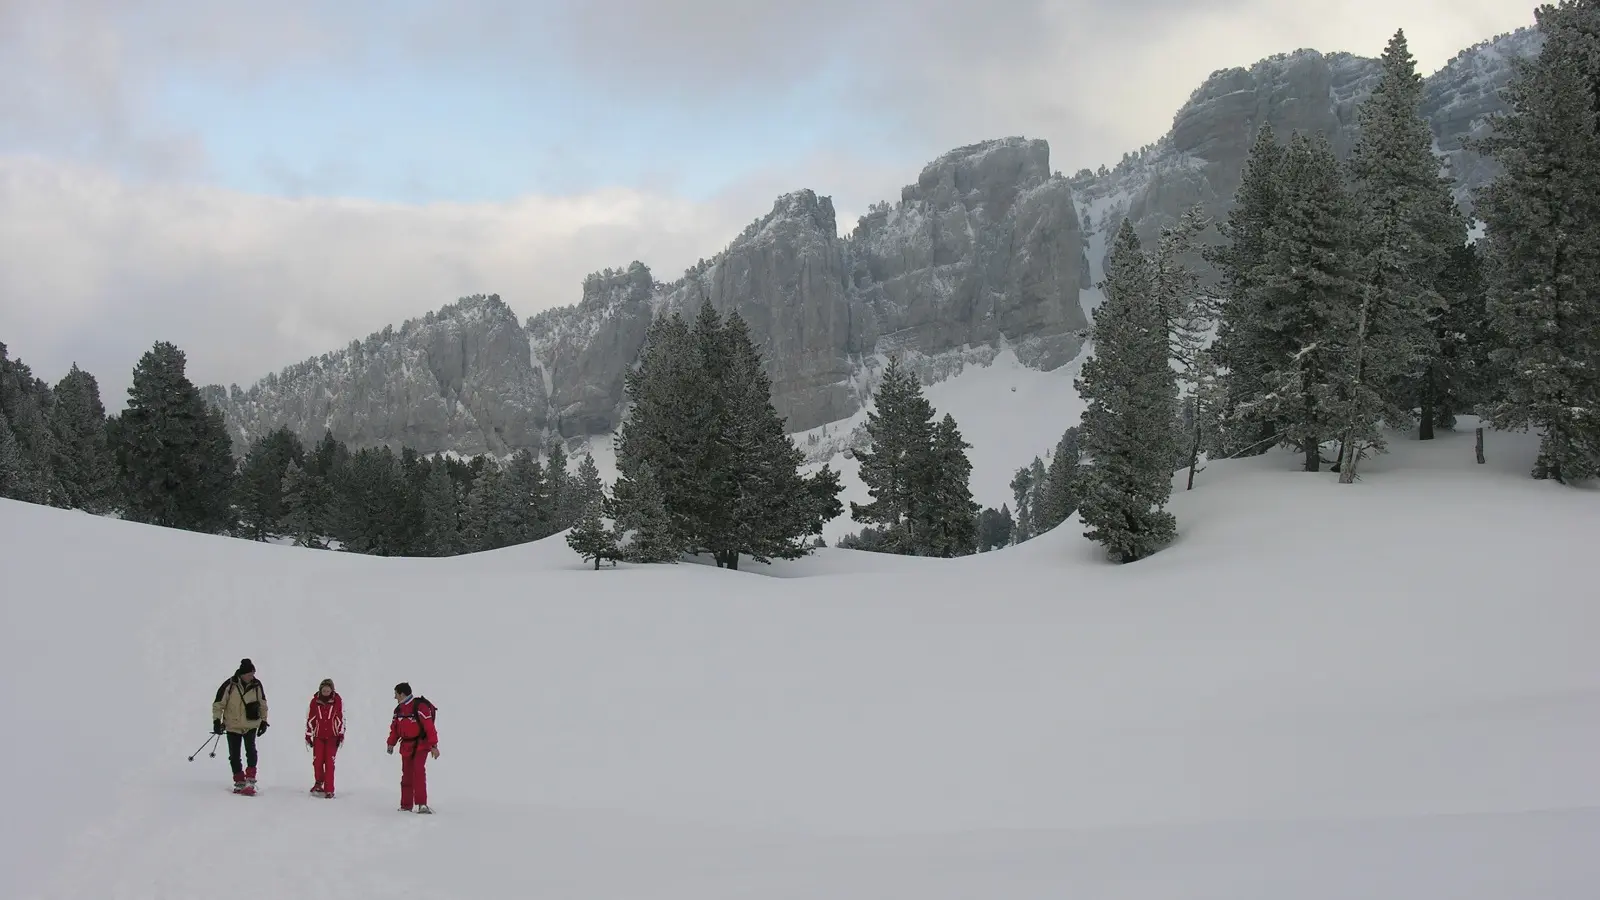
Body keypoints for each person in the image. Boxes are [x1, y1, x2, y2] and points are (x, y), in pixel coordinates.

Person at [212, 658, 269, 794]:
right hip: (233, 725)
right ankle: (239, 780)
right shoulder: (229, 685)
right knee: (234, 754)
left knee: (251, 751)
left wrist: (264, 721)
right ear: (242, 674)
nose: (252, 676)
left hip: (250, 724)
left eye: (253, 673)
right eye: (250, 674)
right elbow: (218, 704)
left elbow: (263, 703)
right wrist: (216, 721)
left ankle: (250, 779)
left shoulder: (257, 684)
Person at [385, 682, 439, 813]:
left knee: (418, 772)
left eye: (396, 694)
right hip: (406, 746)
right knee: (406, 775)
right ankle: (406, 805)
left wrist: (433, 746)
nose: (395, 697)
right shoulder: (398, 710)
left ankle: (422, 804)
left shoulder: (420, 707)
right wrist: (391, 743)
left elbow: (429, 727)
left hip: (421, 745)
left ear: (402, 694)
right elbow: (395, 729)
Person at [304, 678, 345, 798]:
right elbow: (311, 718)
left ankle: (329, 789)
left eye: (328, 690)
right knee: (317, 761)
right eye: (324, 690)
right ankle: (318, 782)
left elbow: (341, 717)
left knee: (329, 763)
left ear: (332, 690)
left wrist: (340, 733)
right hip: (318, 736)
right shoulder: (315, 702)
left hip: (332, 736)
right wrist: (308, 734)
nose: (326, 692)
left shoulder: (337, 701)